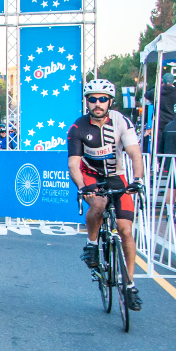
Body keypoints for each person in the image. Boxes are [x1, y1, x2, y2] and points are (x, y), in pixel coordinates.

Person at [67, 79, 145, 311]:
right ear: (87, 102)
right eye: (92, 99)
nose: (97, 103)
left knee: (126, 230)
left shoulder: (121, 121)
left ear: (110, 101)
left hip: (116, 176)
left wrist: (137, 179)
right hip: (90, 176)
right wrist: (83, 187)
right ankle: (91, 245)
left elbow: (135, 154)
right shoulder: (78, 127)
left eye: (102, 99)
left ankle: (130, 285)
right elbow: (73, 164)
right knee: (98, 204)